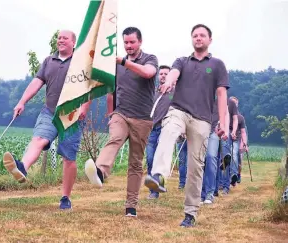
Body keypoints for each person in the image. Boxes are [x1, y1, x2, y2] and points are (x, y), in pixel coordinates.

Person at [144, 24, 229, 227]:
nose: (198, 38)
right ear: (191, 39)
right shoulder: (182, 61)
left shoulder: (217, 65)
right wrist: (168, 82)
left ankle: (190, 212)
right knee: (168, 130)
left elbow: (221, 94)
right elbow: (173, 73)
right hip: (179, 110)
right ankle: (158, 176)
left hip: (202, 120)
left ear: (210, 39)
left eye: (202, 35)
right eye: (195, 35)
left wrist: (223, 123)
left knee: (195, 167)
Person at [2, 30, 91, 210]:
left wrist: (84, 108)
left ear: (74, 42)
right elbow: (36, 82)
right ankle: (22, 167)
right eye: (59, 38)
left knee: (68, 158)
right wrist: (21, 102)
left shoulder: (81, 62)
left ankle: (65, 197)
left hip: (71, 115)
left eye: (65, 38)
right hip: (49, 111)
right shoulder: (48, 61)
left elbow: (88, 88)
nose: (61, 40)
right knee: (39, 139)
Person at [84, 27, 158, 217]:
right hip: (121, 114)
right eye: (125, 42)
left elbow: (148, 73)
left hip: (142, 119)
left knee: (135, 163)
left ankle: (131, 205)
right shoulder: (116, 65)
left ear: (140, 42)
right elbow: (111, 91)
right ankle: (100, 172)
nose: (129, 46)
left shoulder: (150, 59)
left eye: (132, 42)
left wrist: (123, 61)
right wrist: (111, 115)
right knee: (114, 138)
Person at [201, 97, 237, 204]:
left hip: (214, 131)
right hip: (199, 128)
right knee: (201, 161)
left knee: (211, 157)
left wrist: (226, 129)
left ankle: (210, 193)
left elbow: (226, 112)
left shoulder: (219, 91)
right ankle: (202, 193)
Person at [145, 65, 174, 199]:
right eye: (161, 73)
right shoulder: (153, 92)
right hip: (152, 128)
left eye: (165, 74)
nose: (162, 76)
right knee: (150, 158)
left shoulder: (174, 93)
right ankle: (154, 187)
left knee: (160, 159)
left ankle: (156, 188)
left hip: (165, 129)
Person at [229, 96, 248, 184]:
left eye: (235, 103)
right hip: (227, 139)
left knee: (238, 159)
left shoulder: (240, 118)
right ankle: (231, 176)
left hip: (238, 139)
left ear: (237, 105)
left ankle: (238, 174)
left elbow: (243, 132)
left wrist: (244, 144)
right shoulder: (225, 116)